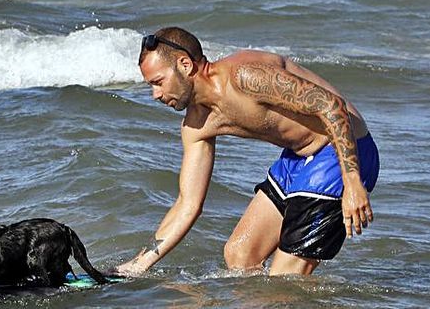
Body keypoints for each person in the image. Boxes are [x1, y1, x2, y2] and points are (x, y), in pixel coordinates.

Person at [115, 27, 379, 276]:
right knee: (240, 256)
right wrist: (137, 265)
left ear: (185, 65)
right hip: (297, 158)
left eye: (158, 82)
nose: (155, 94)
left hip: (342, 150)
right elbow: (188, 204)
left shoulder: (245, 76)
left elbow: (332, 107)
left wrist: (352, 181)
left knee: (283, 279)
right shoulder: (196, 126)